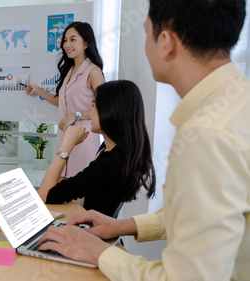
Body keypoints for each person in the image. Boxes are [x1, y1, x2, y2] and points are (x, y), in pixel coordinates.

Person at [38, 0, 250, 280]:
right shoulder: (235, 103)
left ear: (165, 42)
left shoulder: (207, 135)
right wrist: (121, 226)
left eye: (146, 33)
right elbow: (186, 216)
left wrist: (100, 253)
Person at [37, 80, 155, 218]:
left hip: (89, 233)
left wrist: (67, 145)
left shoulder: (109, 163)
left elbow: (44, 196)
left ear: (110, 112)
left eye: (94, 107)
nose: (90, 113)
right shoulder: (113, 150)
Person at [26, 21, 105, 179]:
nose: (67, 44)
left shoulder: (93, 71)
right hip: (66, 138)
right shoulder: (69, 71)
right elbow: (60, 102)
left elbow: (105, 107)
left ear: (86, 43)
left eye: (73, 39)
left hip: (84, 138)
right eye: (65, 40)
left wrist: (76, 115)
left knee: (78, 190)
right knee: (62, 186)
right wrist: (38, 90)